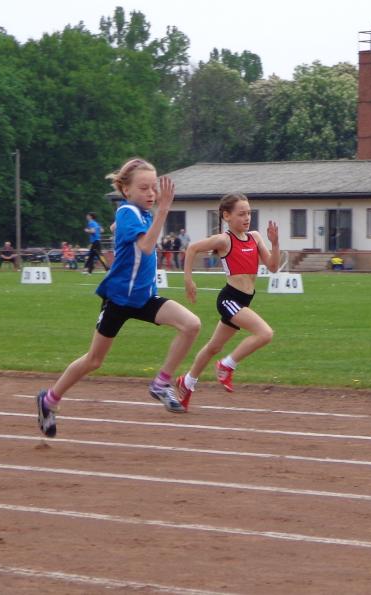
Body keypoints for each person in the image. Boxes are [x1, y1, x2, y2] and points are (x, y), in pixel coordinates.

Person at [36, 157, 201, 438]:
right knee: (94, 360)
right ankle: (48, 400)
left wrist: (127, 225)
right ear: (126, 190)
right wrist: (163, 210)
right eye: (144, 188)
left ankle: (161, 383)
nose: (151, 193)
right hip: (119, 300)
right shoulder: (128, 212)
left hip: (144, 298)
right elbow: (146, 246)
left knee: (191, 325)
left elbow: (122, 230)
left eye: (154, 188)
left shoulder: (140, 214)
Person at [176, 192, 280, 410]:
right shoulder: (225, 240)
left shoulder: (255, 237)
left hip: (244, 300)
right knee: (265, 333)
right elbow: (193, 248)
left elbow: (272, 267)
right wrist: (188, 280)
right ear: (226, 216)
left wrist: (275, 243)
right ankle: (226, 365)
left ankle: (187, 382)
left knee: (213, 347)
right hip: (230, 299)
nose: (247, 217)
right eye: (241, 214)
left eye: (249, 213)